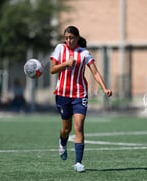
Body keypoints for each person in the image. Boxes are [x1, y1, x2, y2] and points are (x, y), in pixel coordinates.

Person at [50, 26, 112, 172]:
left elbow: (95, 73)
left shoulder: (84, 53)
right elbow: (52, 70)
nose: (68, 40)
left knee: (79, 126)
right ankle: (62, 142)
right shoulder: (60, 48)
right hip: (62, 94)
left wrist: (105, 88)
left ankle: (78, 163)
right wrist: (65, 64)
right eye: (66, 38)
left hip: (79, 94)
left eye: (71, 38)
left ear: (77, 38)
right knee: (66, 129)